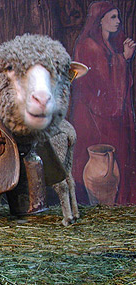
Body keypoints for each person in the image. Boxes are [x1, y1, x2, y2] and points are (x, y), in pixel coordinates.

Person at [69, 1, 136, 205]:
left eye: (118, 17)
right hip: (93, 117)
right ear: (100, 21)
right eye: (112, 17)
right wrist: (123, 59)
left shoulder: (107, 44)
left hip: (103, 116)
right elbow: (102, 86)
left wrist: (120, 59)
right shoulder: (88, 45)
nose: (118, 21)